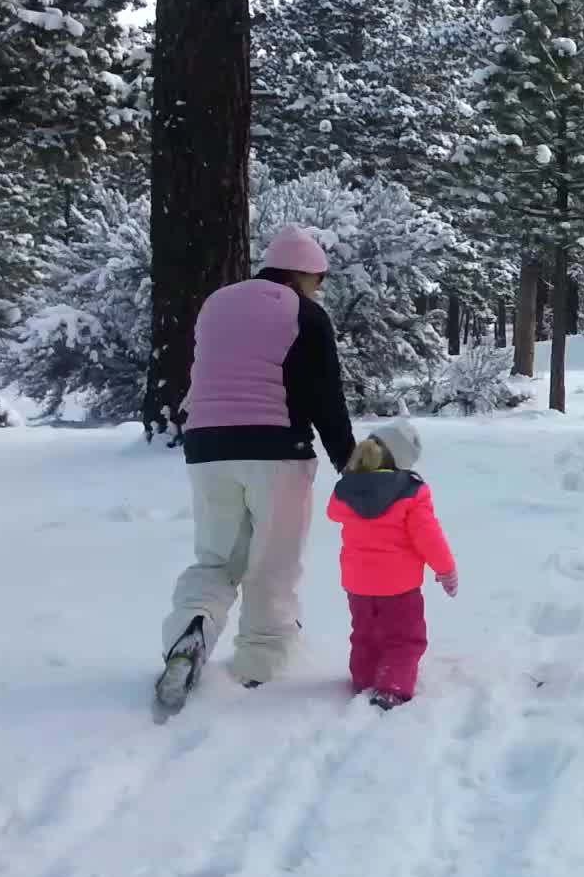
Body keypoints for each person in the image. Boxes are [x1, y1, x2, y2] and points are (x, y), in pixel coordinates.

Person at [155, 225, 356, 715]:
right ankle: (259, 662)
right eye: (318, 280)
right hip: (276, 448)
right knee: (273, 560)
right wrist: (348, 460)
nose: (318, 290)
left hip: (206, 446)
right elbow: (323, 393)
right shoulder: (303, 313)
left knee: (216, 557)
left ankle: (190, 630)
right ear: (302, 273)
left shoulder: (217, 304)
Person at [326, 420, 457, 710]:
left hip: (358, 585)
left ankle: (364, 679)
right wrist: (445, 569)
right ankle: (392, 687)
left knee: (364, 635)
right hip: (399, 587)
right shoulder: (411, 491)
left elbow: (333, 514)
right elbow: (428, 536)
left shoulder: (347, 490)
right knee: (404, 638)